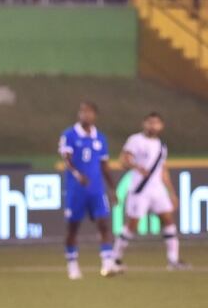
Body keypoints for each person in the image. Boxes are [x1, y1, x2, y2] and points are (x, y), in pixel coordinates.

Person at [114, 112, 188, 271]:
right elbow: (123, 160)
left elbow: (163, 171)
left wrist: (172, 193)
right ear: (144, 124)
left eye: (156, 123)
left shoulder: (161, 146)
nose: (152, 125)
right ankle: (116, 258)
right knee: (132, 224)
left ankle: (173, 260)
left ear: (161, 126)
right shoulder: (136, 140)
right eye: (150, 122)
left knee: (168, 220)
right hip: (140, 189)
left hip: (157, 190)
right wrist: (136, 167)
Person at [59, 102, 118, 280]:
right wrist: (78, 174)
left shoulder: (100, 138)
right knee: (73, 228)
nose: (86, 115)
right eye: (83, 112)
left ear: (95, 115)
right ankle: (72, 265)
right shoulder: (69, 135)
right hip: (77, 190)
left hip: (96, 190)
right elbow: (66, 159)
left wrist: (112, 188)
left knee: (104, 224)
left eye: (89, 112)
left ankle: (107, 263)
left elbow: (105, 166)